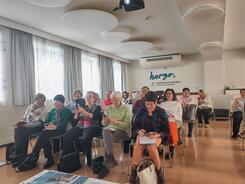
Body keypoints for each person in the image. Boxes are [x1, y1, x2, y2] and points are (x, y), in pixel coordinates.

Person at [129, 91, 169, 184]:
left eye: (151, 104)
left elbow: (166, 131)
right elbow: (134, 126)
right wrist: (139, 131)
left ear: (156, 102)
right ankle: (134, 171)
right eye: (147, 104)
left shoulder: (161, 112)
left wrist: (157, 135)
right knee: (138, 145)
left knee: (151, 146)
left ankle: (159, 171)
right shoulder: (141, 110)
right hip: (143, 135)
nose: (149, 106)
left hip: (157, 135)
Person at [30, 94, 72, 168]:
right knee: (44, 136)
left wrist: (55, 126)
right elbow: (46, 121)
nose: (56, 104)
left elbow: (64, 123)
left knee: (43, 134)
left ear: (62, 103)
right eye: (55, 103)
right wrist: (48, 125)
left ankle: (34, 156)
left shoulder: (67, 110)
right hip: (49, 129)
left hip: (60, 130)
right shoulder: (53, 110)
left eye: (58, 103)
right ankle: (49, 158)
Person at [62, 91, 102, 166]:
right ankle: (68, 157)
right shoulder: (84, 107)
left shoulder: (97, 107)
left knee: (86, 138)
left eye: (89, 97)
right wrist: (76, 113)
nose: (87, 98)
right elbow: (76, 119)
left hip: (93, 126)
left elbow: (94, 117)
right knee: (67, 136)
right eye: (86, 97)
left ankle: (89, 161)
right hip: (81, 126)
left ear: (94, 99)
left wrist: (84, 111)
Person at [10, 93, 47, 159]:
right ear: (35, 100)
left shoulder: (44, 110)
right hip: (27, 124)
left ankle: (21, 153)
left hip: (37, 127)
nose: (40, 102)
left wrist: (29, 125)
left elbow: (41, 122)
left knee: (24, 133)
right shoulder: (30, 107)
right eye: (38, 100)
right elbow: (25, 116)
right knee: (17, 129)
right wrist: (22, 122)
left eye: (42, 100)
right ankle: (19, 152)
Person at [102, 91, 132, 169]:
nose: (113, 102)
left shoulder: (126, 109)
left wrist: (117, 122)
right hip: (109, 130)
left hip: (123, 131)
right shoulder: (108, 108)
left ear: (121, 99)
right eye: (112, 100)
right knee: (105, 132)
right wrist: (104, 121)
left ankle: (107, 162)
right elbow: (104, 124)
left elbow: (127, 125)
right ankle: (110, 159)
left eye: (116, 100)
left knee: (107, 139)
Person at [159, 88, 182, 158]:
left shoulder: (177, 103)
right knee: (161, 125)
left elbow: (180, 113)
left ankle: (171, 146)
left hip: (175, 121)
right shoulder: (162, 104)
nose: (168, 95)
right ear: (165, 95)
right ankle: (161, 145)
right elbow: (159, 113)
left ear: (173, 95)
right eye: (167, 93)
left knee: (170, 124)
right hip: (164, 121)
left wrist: (173, 115)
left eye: (170, 93)